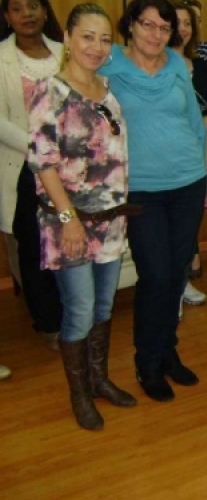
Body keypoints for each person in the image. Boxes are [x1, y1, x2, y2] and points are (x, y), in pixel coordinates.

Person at [27, 2, 138, 430]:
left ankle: (99, 380)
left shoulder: (107, 91)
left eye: (105, 38)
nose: (96, 46)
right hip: (67, 222)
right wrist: (68, 218)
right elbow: (43, 162)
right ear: (69, 41)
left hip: (109, 220)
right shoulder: (49, 91)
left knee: (105, 305)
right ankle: (79, 394)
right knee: (80, 308)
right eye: (88, 36)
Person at [99, 0, 207, 402]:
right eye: (147, 25)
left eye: (164, 27)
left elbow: (194, 123)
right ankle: (146, 362)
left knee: (176, 273)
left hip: (189, 182)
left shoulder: (177, 65)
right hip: (141, 189)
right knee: (156, 275)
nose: (155, 34)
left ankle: (167, 352)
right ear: (130, 26)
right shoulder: (108, 63)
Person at [1, 0, 64, 351]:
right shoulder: (1, 58)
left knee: (67, 238)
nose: (26, 14)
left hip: (69, 168)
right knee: (35, 248)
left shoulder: (64, 52)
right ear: (7, 16)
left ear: (44, 11)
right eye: (16, 8)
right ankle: (48, 321)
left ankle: (75, 313)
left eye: (33, 6)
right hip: (24, 168)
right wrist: (38, 149)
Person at [173, 1, 207, 309]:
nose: (182, 29)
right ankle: (169, 292)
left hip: (197, 158)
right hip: (164, 160)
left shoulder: (200, 67)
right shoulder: (152, 67)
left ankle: (181, 283)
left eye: (187, 23)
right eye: (176, 23)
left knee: (187, 228)